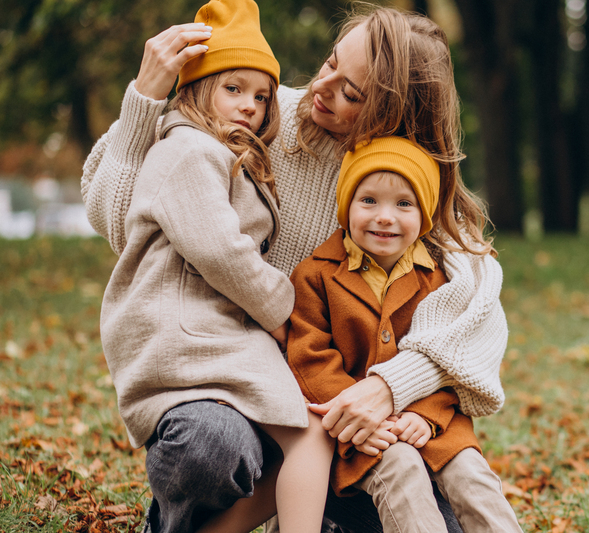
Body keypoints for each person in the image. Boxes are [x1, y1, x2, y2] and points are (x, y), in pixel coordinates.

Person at [82, 5, 509, 532]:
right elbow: (119, 222)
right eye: (330, 63)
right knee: (210, 446)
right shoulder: (252, 113)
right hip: (234, 374)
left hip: (335, 401)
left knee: (444, 520)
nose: (321, 89)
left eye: (351, 93)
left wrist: (389, 387)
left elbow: (479, 304)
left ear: (394, 116)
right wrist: (145, 98)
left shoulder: (395, 185)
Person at [98, 1, 333, 532]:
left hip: (220, 337)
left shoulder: (226, 154)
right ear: (195, 88)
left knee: (316, 436)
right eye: (233, 88)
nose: (250, 105)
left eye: (261, 95)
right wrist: (283, 313)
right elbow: (221, 250)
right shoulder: (187, 150)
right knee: (306, 435)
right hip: (189, 340)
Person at [288, 136, 522, 533]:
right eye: (369, 201)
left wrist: (426, 415)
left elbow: (450, 360)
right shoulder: (315, 274)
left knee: (474, 480)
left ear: (424, 215)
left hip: (435, 424)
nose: (384, 217)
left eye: (403, 204)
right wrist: (358, 419)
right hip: (362, 436)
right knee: (402, 470)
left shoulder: (441, 279)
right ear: (346, 206)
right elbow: (309, 360)